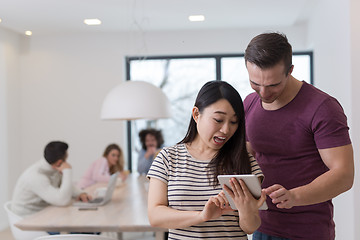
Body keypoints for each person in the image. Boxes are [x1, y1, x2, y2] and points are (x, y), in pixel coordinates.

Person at [243, 32, 354, 240]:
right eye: (255, 83)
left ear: (290, 71)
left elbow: (344, 175)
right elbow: (244, 159)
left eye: (273, 85)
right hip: (262, 227)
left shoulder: (322, 108)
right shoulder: (249, 103)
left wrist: (294, 196)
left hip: (308, 231)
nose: (264, 93)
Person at [147, 80, 266, 239]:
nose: (226, 130)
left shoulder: (245, 161)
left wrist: (246, 210)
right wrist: (202, 215)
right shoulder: (167, 158)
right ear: (196, 114)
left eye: (233, 122)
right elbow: (155, 216)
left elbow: (250, 227)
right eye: (218, 120)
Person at [12, 141, 90, 217]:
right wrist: (67, 171)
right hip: (28, 219)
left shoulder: (53, 168)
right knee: (76, 221)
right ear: (59, 162)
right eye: (66, 160)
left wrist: (80, 193)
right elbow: (63, 201)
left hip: (42, 212)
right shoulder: (36, 176)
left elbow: (64, 185)